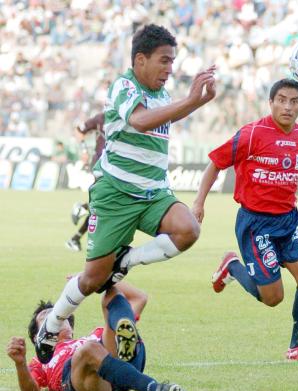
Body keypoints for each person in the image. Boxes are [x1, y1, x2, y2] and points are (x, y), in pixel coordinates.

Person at [36, 23, 216, 363]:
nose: (170, 68)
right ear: (140, 59)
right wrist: (192, 99)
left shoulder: (162, 93)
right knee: (91, 279)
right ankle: (53, 324)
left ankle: (126, 260)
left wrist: (198, 102)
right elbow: (141, 122)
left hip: (153, 193)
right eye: (164, 60)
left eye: (172, 61)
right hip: (116, 194)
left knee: (188, 229)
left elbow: (161, 117)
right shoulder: (123, 86)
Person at [192, 78, 298, 361]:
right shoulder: (252, 134)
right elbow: (215, 164)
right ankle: (233, 266)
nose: (287, 106)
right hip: (255, 223)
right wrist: (199, 202)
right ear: (270, 103)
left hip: (289, 220)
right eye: (281, 100)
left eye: (294, 101)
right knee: (273, 298)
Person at [7, 281, 188, 391]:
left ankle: (124, 332)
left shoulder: (96, 334)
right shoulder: (41, 360)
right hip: (84, 380)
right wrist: (20, 364)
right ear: (37, 337)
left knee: (110, 297)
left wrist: (94, 280)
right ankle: (156, 388)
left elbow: (139, 298)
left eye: (58, 313)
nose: (55, 316)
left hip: (111, 358)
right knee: (89, 350)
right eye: (46, 316)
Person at [66, 113, 105, 252]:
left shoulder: (127, 116)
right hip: (102, 164)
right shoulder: (101, 118)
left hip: (117, 166)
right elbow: (79, 130)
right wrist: (83, 150)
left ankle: (75, 238)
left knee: (101, 206)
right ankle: (83, 207)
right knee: (104, 204)